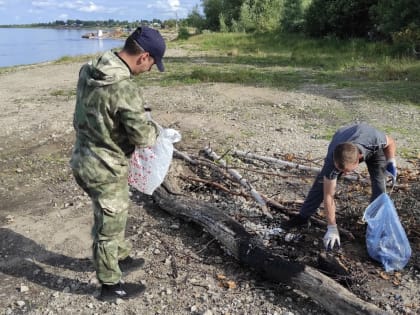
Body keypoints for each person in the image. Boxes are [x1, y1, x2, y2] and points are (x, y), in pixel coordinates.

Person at [70, 26, 166, 302]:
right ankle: (110, 285)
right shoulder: (124, 87)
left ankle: (120, 257)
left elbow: (99, 111)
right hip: (105, 166)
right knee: (108, 225)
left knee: (113, 212)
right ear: (143, 57)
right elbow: (142, 137)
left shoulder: (90, 68)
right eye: (152, 64)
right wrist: (158, 131)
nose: (149, 70)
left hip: (83, 156)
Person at [283, 123, 397, 250]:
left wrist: (391, 162)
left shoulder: (373, 140)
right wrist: (332, 227)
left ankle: (375, 225)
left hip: (372, 149)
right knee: (321, 185)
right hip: (343, 136)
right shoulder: (333, 160)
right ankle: (303, 216)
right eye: (340, 170)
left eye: (347, 171)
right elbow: (328, 196)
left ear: (358, 159)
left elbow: (390, 142)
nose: (344, 174)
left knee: (380, 188)